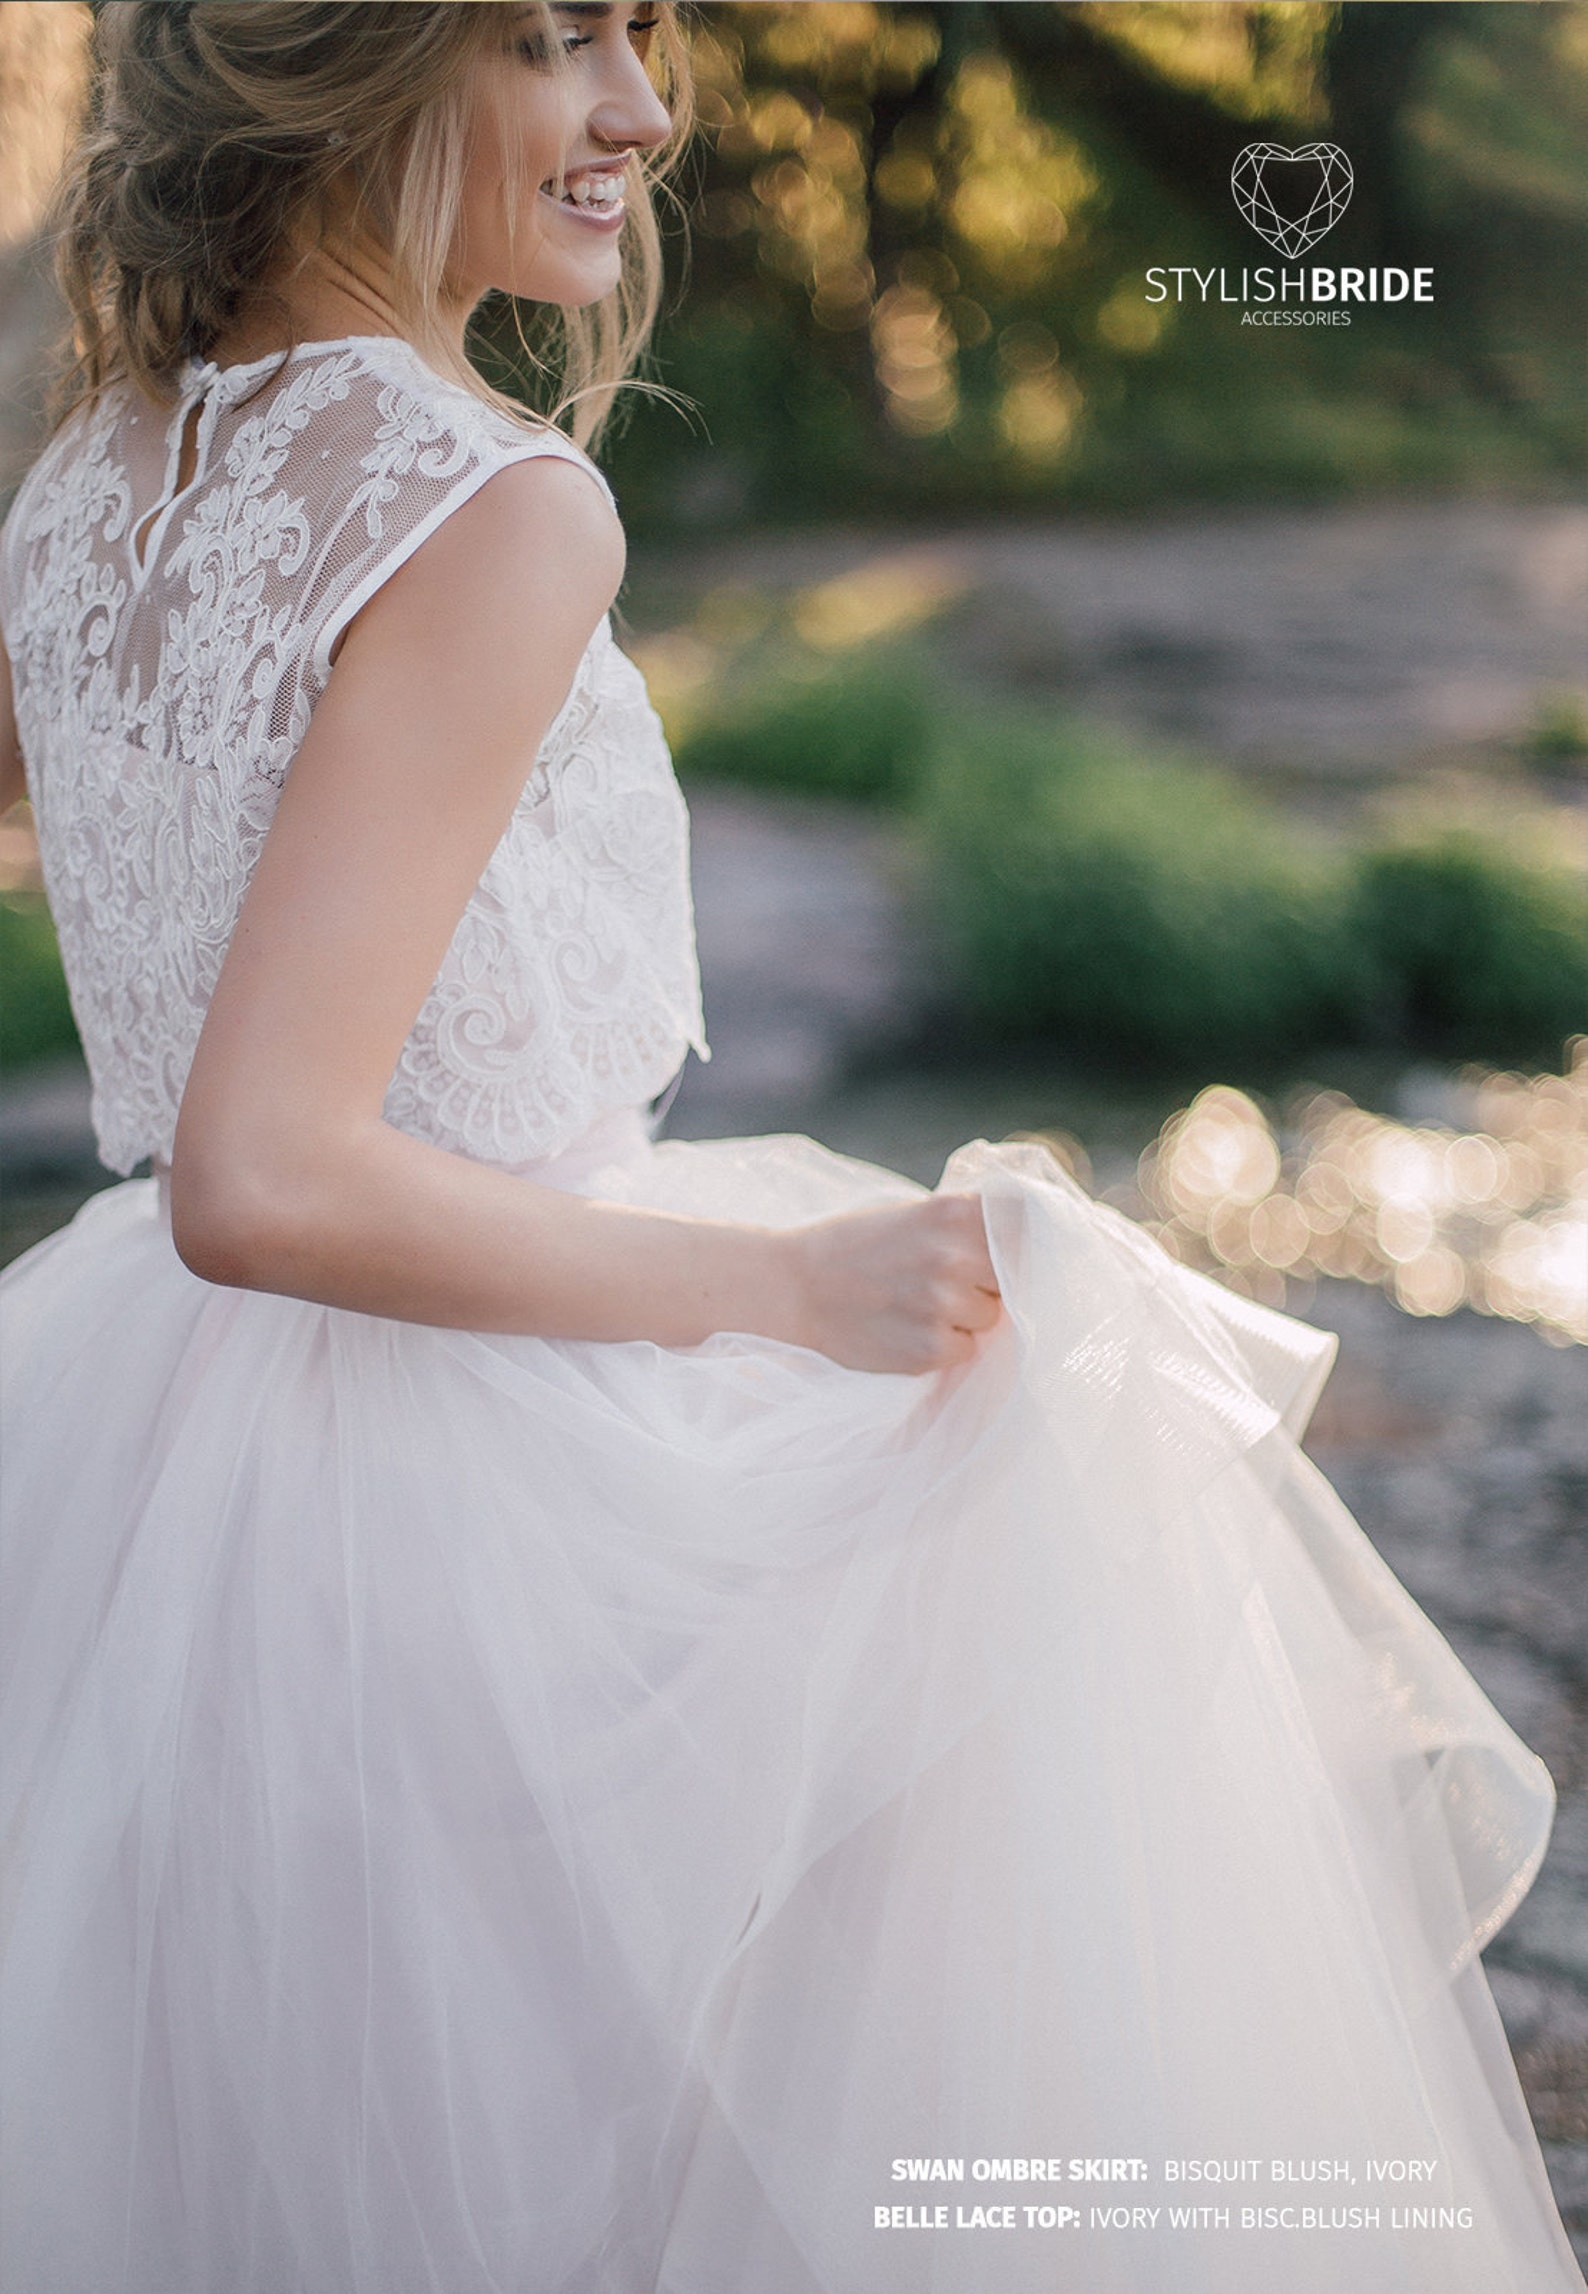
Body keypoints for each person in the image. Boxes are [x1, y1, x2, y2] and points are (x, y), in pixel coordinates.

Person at [0, 6, 1580, 2291]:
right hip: (456, 1474)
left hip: (143, 1474)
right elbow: (267, 1167)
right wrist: (785, 1289)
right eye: (559, 44)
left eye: (644, 40)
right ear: (343, 64)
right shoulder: (489, 500)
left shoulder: (84, 483)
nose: (645, 112)